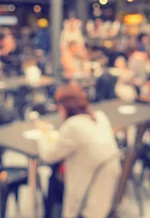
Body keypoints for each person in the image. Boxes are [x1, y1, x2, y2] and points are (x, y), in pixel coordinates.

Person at [36, 84, 121, 218]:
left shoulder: (72, 126)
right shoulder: (100, 116)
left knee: (53, 179)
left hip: (87, 195)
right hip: (106, 189)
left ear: (63, 107)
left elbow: (48, 155)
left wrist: (42, 133)